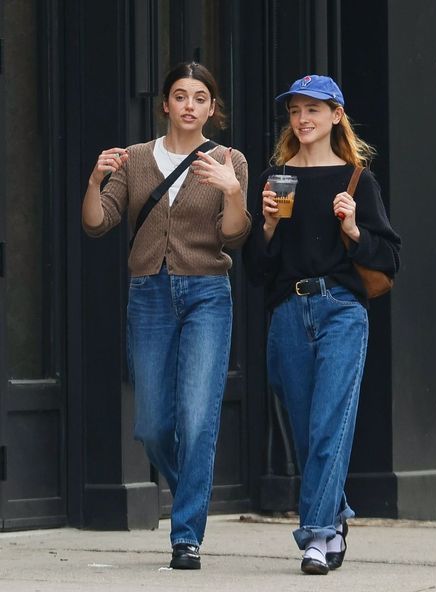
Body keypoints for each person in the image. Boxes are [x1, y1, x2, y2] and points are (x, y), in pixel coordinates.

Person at [82, 62, 251, 570]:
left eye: (200, 97)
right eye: (180, 96)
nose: (190, 105)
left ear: (212, 108)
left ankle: (186, 536)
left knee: (198, 420)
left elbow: (235, 236)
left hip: (206, 293)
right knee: (154, 425)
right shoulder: (134, 160)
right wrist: (95, 180)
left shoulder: (230, 159)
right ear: (165, 104)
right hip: (149, 293)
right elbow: (97, 223)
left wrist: (232, 190)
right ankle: (191, 496)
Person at [243, 74, 401, 575]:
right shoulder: (276, 178)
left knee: (331, 421)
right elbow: (256, 271)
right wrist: (266, 226)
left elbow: (390, 258)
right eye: (295, 110)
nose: (303, 118)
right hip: (289, 312)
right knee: (309, 431)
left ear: (337, 115)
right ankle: (334, 518)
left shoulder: (357, 179)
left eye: (314, 108)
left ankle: (314, 536)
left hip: (341, 311)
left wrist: (353, 228)